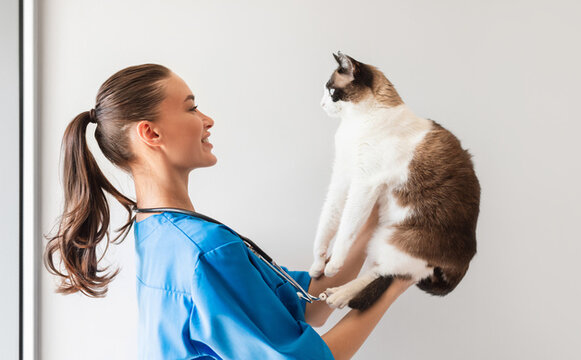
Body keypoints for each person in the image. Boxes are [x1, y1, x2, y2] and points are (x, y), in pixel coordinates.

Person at [43, 63, 413, 359]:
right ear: (151, 134)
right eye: (191, 108)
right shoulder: (206, 250)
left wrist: (375, 213)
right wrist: (396, 279)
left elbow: (311, 303)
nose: (207, 119)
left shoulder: (158, 233)